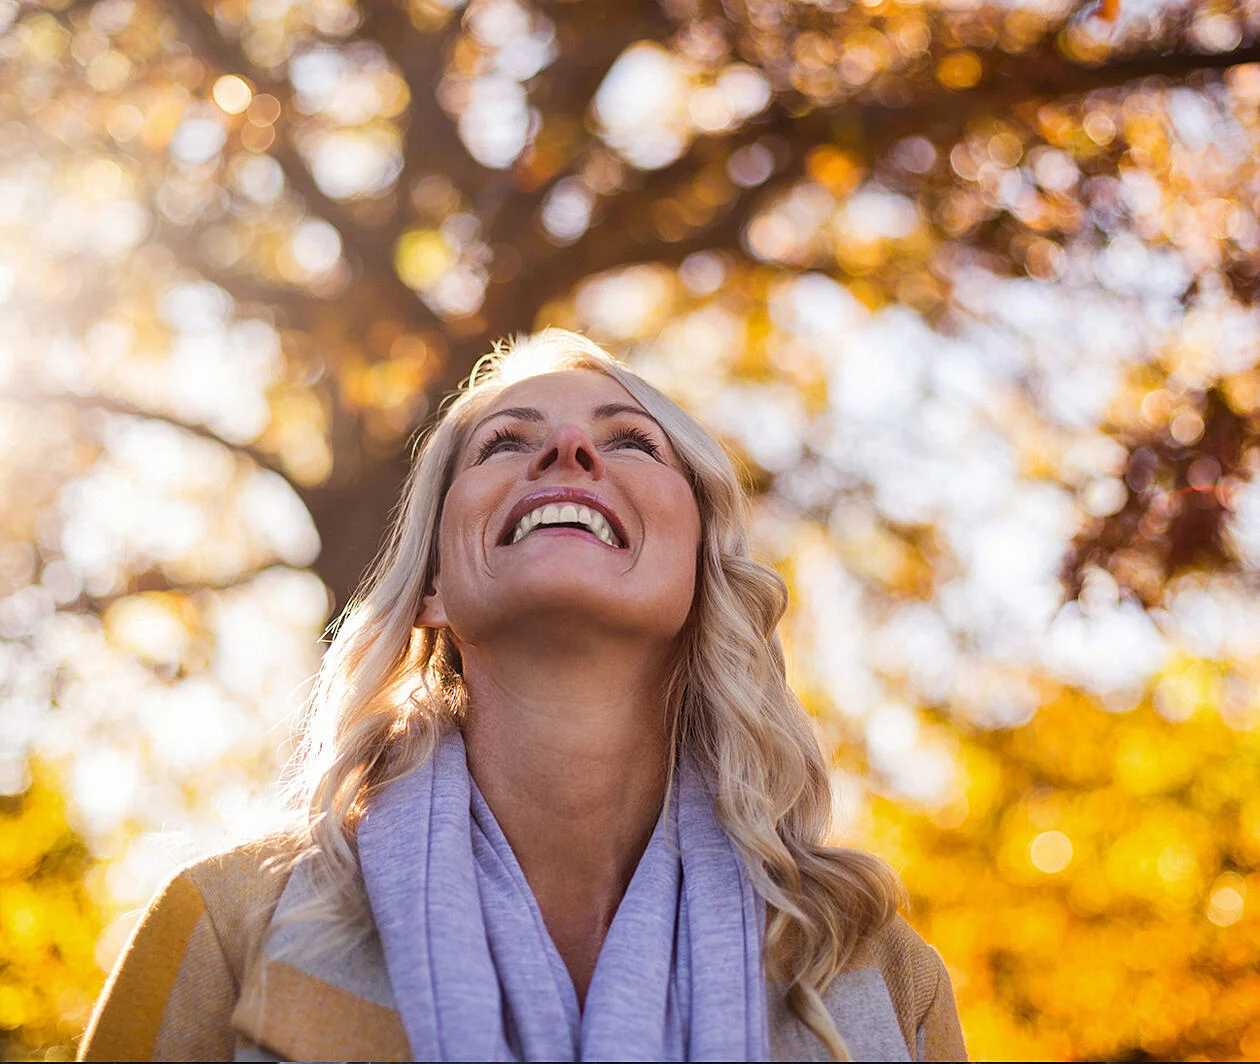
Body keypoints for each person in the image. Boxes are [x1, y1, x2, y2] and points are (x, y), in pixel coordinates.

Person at [78, 329, 966, 1062]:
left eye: (629, 439)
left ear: (703, 572)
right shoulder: (227, 928)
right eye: (505, 441)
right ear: (429, 585)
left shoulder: (879, 978)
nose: (567, 450)